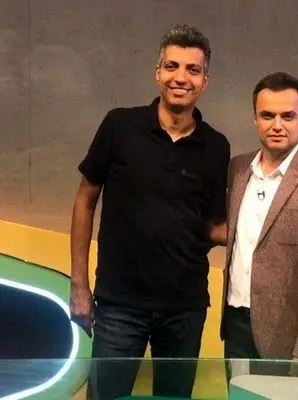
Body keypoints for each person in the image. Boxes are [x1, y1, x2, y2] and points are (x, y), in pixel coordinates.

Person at [69, 24, 230, 399]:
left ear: (205, 81)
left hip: (184, 310)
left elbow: (211, 227)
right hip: (119, 305)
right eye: (172, 66)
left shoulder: (216, 146)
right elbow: (84, 201)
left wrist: (269, 234)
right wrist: (79, 284)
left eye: (192, 70)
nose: (181, 78)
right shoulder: (119, 126)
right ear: (157, 72)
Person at [218, 72, 298, 378]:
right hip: (235, 326)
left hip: (286, 340)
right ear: (255, 119)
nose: (277, 125)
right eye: (268, 115)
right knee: (238, 399)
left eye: (288, 116)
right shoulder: (237, 169)